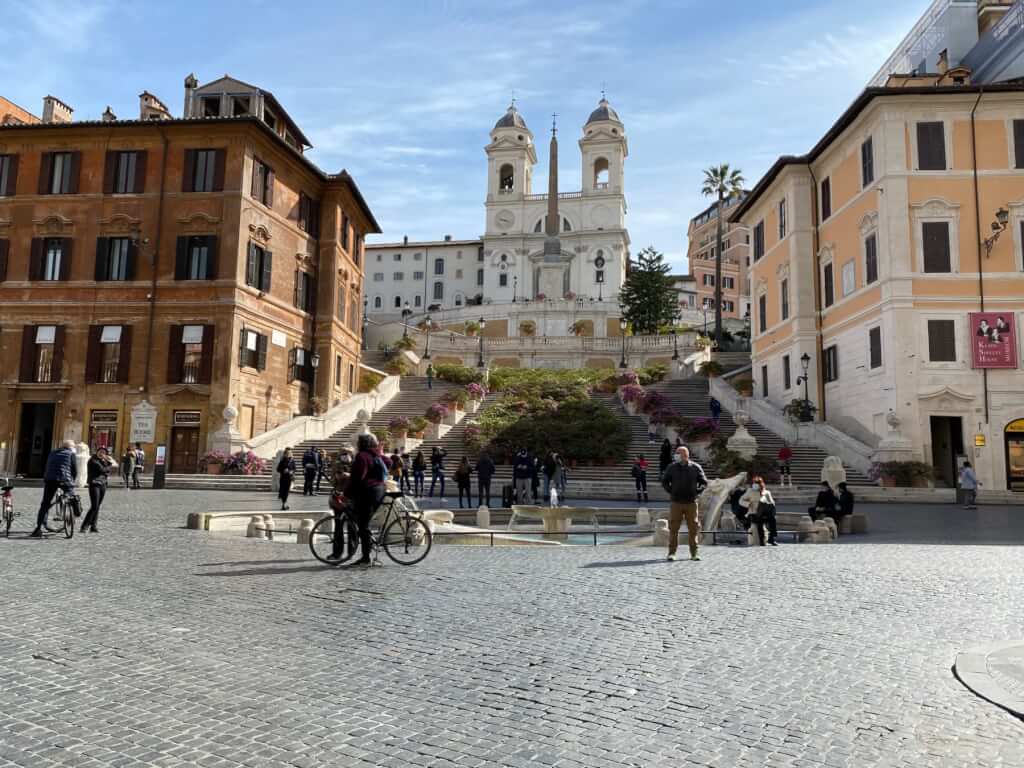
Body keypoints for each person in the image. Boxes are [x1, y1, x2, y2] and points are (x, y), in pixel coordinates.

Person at [344, 432, 389, 565]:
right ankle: (368, 549)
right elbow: (389, 462)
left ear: (362, 444)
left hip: (368, 493)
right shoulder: (375, 454)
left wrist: (346, 493)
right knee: (364, 522)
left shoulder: (362, 456)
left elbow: (357, 478)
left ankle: (366, 558)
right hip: (379, 490)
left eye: (358, 442)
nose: (357, 445)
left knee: (363, 525)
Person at [660, 446, 708, 561]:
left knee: (693, 528)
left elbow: (704, 482)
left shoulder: (696, 467)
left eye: (678, 453)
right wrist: (671, 491)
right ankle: (672, 553)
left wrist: (697, 492)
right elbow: (664, 481)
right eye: (676, 453)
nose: (675, 455)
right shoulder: (671, 467)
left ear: (685, 455)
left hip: (691, 502)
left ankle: (694, 553)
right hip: (676, 502)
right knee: (674, 528)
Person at [30, 440, 78, 538]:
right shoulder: (71, 454)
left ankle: (38, 528)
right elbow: (74, 469)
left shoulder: (52, 453)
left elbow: (48, 466)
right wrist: (73, 480)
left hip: (50, 479)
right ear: (71, 447)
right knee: (72, 496)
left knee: (45, 504)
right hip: (65, 480)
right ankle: (75, 512)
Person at [81, 447, 114, 533]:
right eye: (100, 451)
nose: (102, 453)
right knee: (94, 506)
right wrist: (109, 464)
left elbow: (106, 472)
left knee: (97, 506)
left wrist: (107, 466)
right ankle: (84, 526)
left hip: (103, 484)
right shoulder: (93, 460)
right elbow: (102, 470)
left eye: (104, 452)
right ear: (97, 452)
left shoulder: (103, 461)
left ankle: (93, 526)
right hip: (94, 484)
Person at [740, 476, 777, 546]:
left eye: (757, 483)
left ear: (761, 484)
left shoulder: (766, 492)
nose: (755, 485)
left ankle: (771, 539)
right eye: (754, 483)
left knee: (773, 520)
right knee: (759, 522)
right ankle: (762, 541)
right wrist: (748, 504)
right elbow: (741, 500)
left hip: (764, 512)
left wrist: (768, 503)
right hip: (753, 513)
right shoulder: (749, 491)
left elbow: (772, 502)